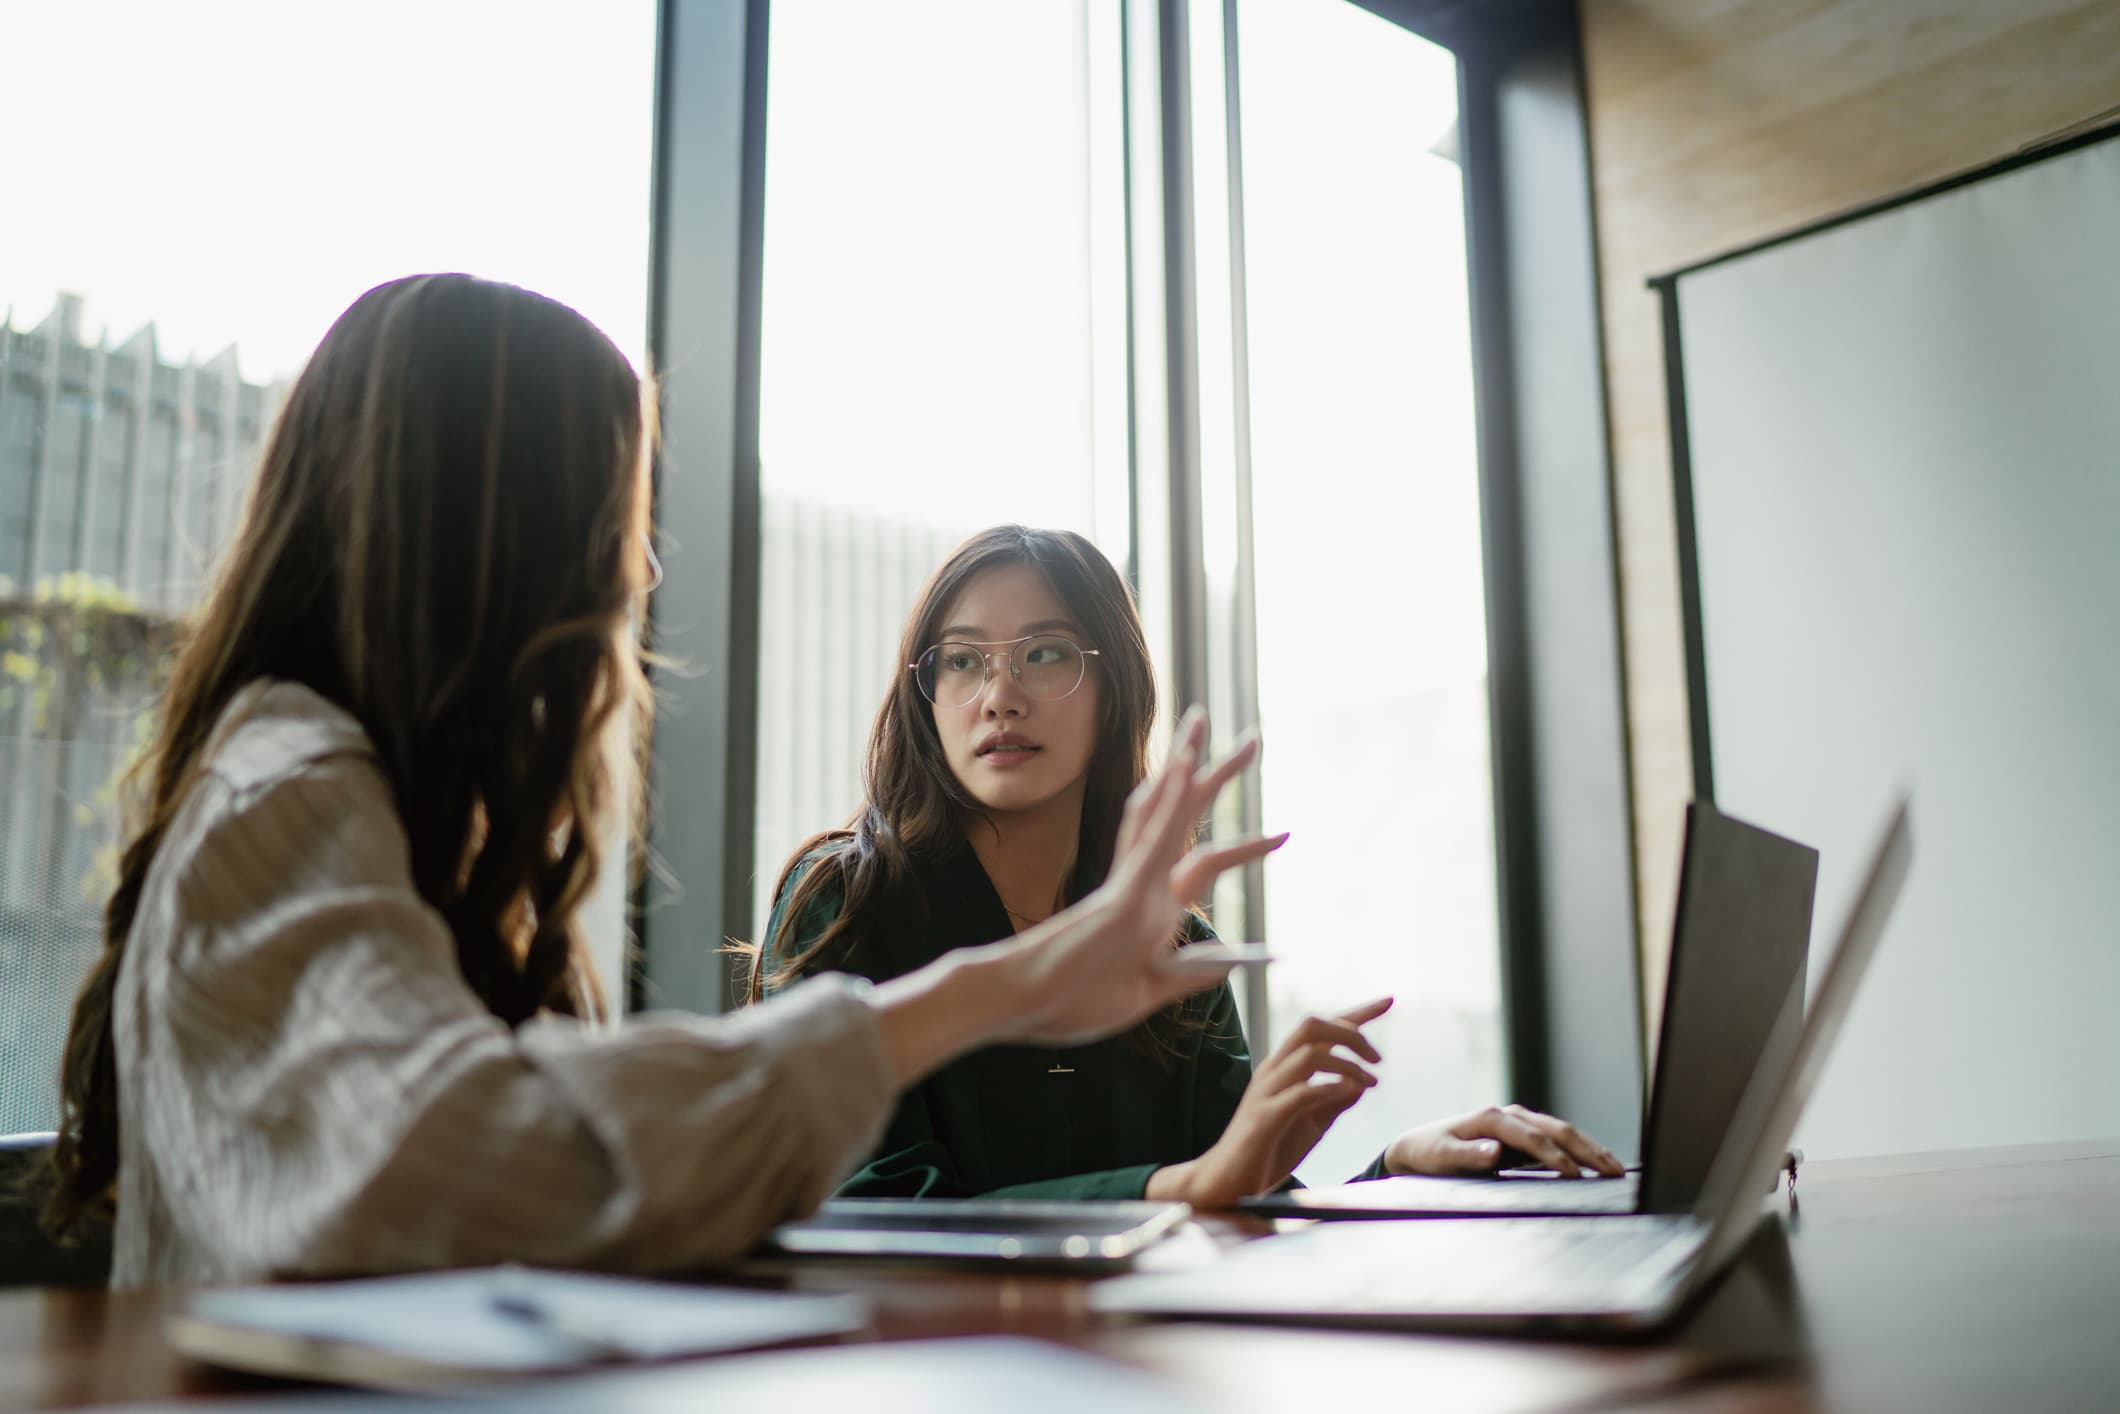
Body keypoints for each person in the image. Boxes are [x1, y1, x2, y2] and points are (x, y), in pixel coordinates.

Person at [41, 275, 1274, 1288]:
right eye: (608, 512)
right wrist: (995, 990)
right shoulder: (286, 784)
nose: (633, 567)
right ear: (493, 529)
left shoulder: (375, 816)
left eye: (1045, 654)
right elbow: (476, 1163)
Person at [749, 526, 1623, 1207]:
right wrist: (1180, 1190)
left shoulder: (1177, 942)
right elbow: (873, 1213)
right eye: (964, 661)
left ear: (1115, 687)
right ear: (925, 695)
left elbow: (1242, 1200)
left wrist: (1400, 1171)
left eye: (1045, 652)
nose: (1000, 695)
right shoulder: (851, 900)